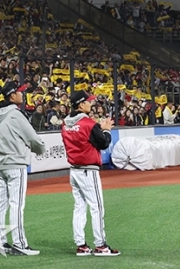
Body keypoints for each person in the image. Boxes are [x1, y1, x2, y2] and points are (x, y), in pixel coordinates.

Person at [61, 90, 120, 256]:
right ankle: (101, 245)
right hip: (88, 170)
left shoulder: (65, 123)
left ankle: (81, 245)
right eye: (88, 102)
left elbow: (83, 135)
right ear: (80, 105)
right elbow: (103, 143)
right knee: (97, 207)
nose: (90, 103)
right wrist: (107, 130)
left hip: (74, 170)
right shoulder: (89, 123)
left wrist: (98, 128)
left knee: (79, 207)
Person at [0, 81, 45, 256]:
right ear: (12, 96)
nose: (23, 94)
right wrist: (40, 149)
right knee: (16, 204)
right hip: (15, 164)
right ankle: (19, 243)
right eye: (20, 92)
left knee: (1, 204)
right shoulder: (15, 114)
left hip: (0, 164)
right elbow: (32, 138)